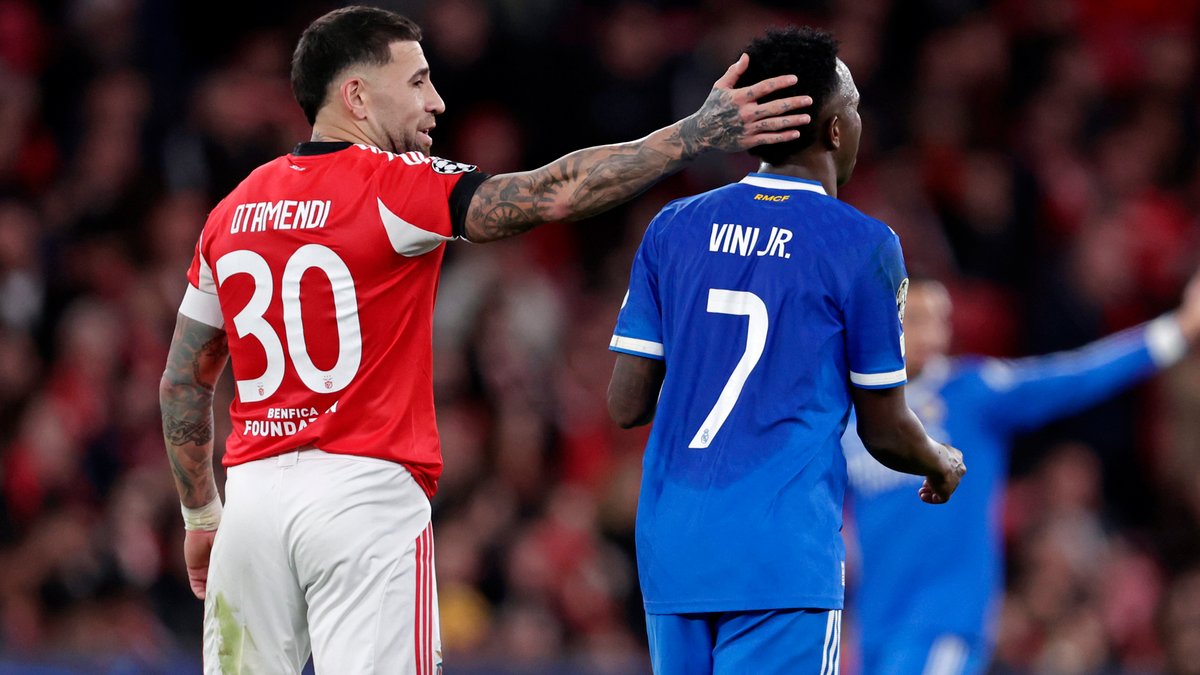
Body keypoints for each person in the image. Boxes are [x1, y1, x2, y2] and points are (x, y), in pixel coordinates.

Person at [157, 5, 816, 674]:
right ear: (356, 96)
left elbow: (183, 381)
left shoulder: (230, 211)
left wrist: (202, 517)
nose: (436, 102)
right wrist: (693, 134)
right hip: (364, 498)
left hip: (252, 504)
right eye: (417, 82)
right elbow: (552, 194)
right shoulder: (396, 185)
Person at [605, 27, 966, 674]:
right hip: (782, 556)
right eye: (854, 107)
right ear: (835, 128)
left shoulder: (672, 227)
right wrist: (939, 461)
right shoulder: (862, 244)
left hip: (674, 548)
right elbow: (885, 430)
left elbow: (626, 403)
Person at [842, 274, 1200, 675]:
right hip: (872, 628)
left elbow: (1077, 375)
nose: (933, 334)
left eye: (940, 320)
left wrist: (1177, 331)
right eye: (917, 319)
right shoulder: (854, 417)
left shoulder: (972, 393)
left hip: (941, 624)